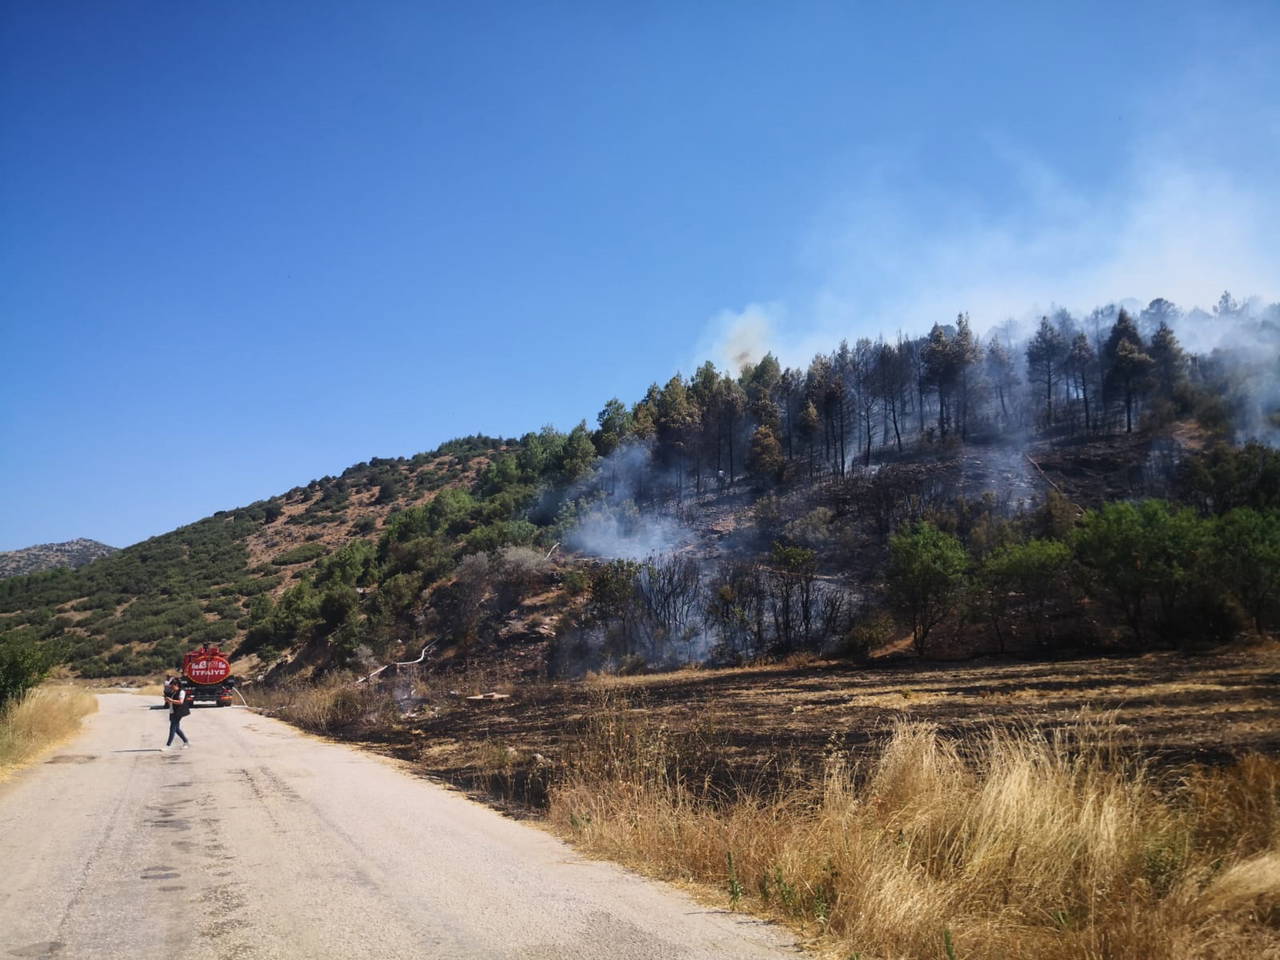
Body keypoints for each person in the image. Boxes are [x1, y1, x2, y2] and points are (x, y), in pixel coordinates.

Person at [164, 678, 191, 750]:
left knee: (172, 728)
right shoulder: (174, 692)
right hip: (173, 712)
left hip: (178, 712)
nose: (171, 687)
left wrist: (171, 700)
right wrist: (168, 700)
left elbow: (181, 702)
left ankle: (168, 745)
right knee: (176, 729)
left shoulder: (181, 692)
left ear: (176, 685)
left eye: (172, 686)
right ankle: (186, 742)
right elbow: (172, 702)